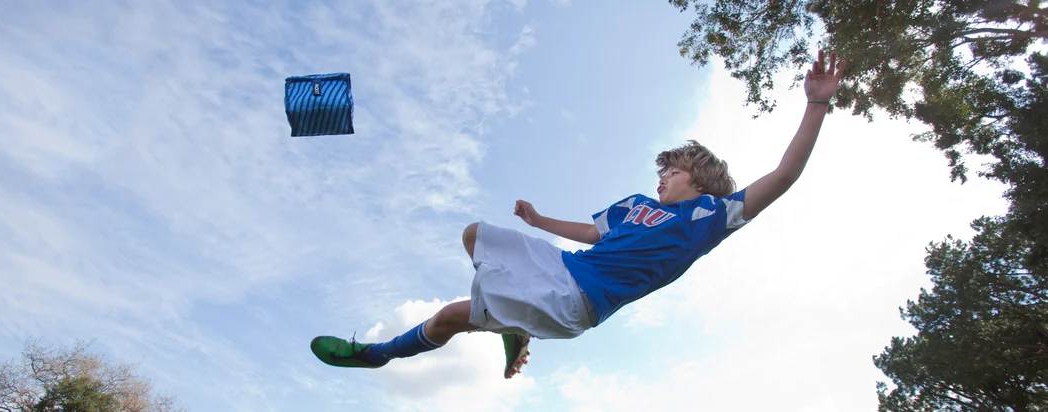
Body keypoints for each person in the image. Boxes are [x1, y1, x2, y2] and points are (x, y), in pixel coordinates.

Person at [310, 50, 847, 379]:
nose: (662, 177)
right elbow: (592, 232)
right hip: (564, 266)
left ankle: (378, 355)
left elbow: (783, 176)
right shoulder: (636, 206)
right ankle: (513, 330)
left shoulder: (712, 216)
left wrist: (816, 105)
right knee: (475, 234)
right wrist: (539, 221)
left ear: (700, 181)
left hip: (575, 302)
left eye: (674, 171)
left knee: (452, 316)